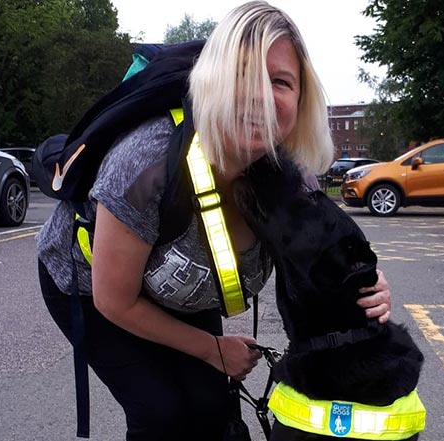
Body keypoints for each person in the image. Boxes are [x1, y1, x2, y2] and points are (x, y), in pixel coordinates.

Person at [36, 1, 393, 439]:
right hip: (92, 288)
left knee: (210, 405)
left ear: (301, 100)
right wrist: (213, 349)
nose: (261, 95)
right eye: (243, 76)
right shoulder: (144, 165)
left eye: (280, 81)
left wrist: (370, 286)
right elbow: (116, 301)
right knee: (161, 412)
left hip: (182, 293)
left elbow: (328, 250)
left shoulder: (293, 174)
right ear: (210, 81)